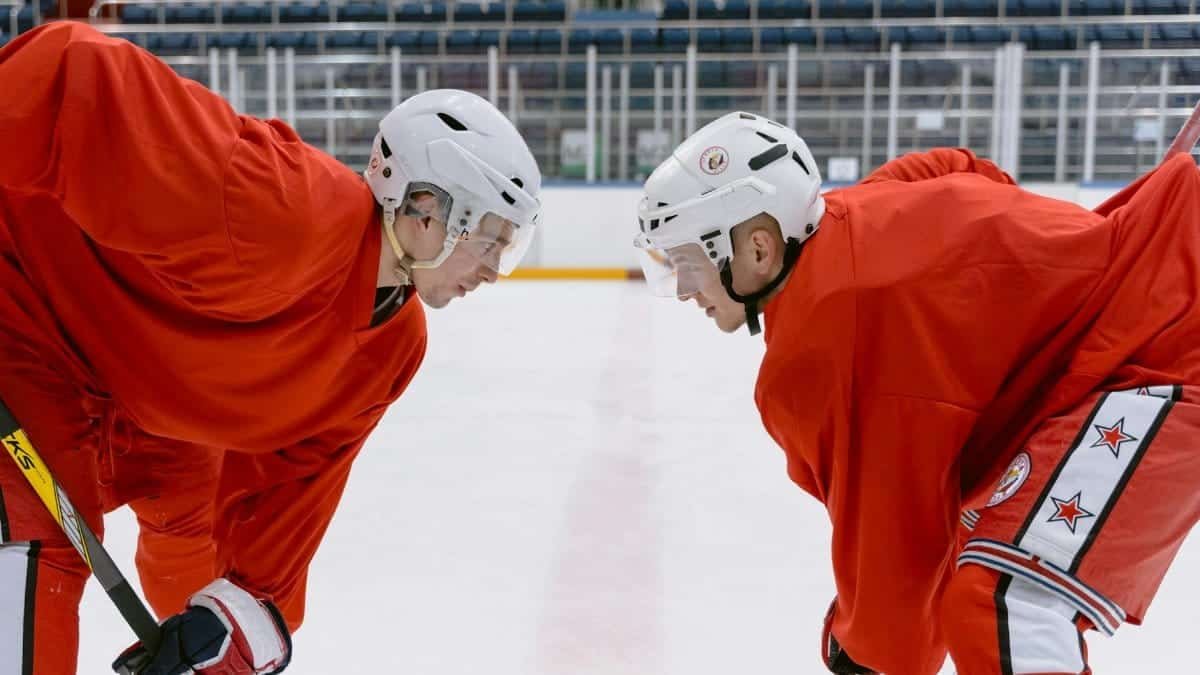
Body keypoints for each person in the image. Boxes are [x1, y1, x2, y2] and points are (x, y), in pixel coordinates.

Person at [0, 21, 541, 674]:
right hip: (32, 310)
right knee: (40, 542)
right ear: (426, 210)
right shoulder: (282, 208)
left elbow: (284, 505)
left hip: (160, 395)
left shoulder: (394, 348)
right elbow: (73, 73)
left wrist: (231, 626)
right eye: (491, 240)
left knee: (198, 571)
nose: (493, 267)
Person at [633, 110, 1200, 674]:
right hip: (1156, 281)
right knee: (986, 572)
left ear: (758, 249)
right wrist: (1029, 279)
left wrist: (856, 650)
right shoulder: (860, 204)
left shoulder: (819, 355)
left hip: (1167, 349)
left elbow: (897, 568)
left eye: (688, 262)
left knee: (1002, 610)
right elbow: (960, 166)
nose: (683, 289)